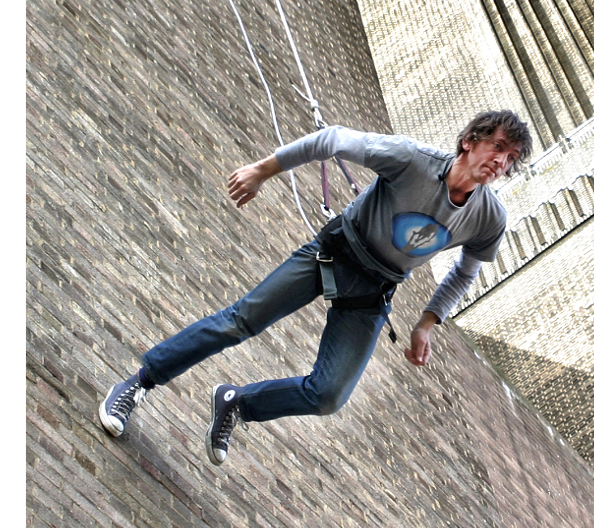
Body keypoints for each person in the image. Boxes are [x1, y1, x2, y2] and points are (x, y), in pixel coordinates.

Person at [98, 110, 531, 464]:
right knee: (239, 322)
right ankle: (138, 383)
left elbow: (466, 271)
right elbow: (333, 139)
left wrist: (427, 322)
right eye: (497, 147)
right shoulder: (411, 160)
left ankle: (237, 403)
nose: (501, 161)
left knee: (328, 395)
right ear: (470, 142)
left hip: (373, 292)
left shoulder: (489, 217)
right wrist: (263, 170)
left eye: (510, 158)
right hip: (333, 254)